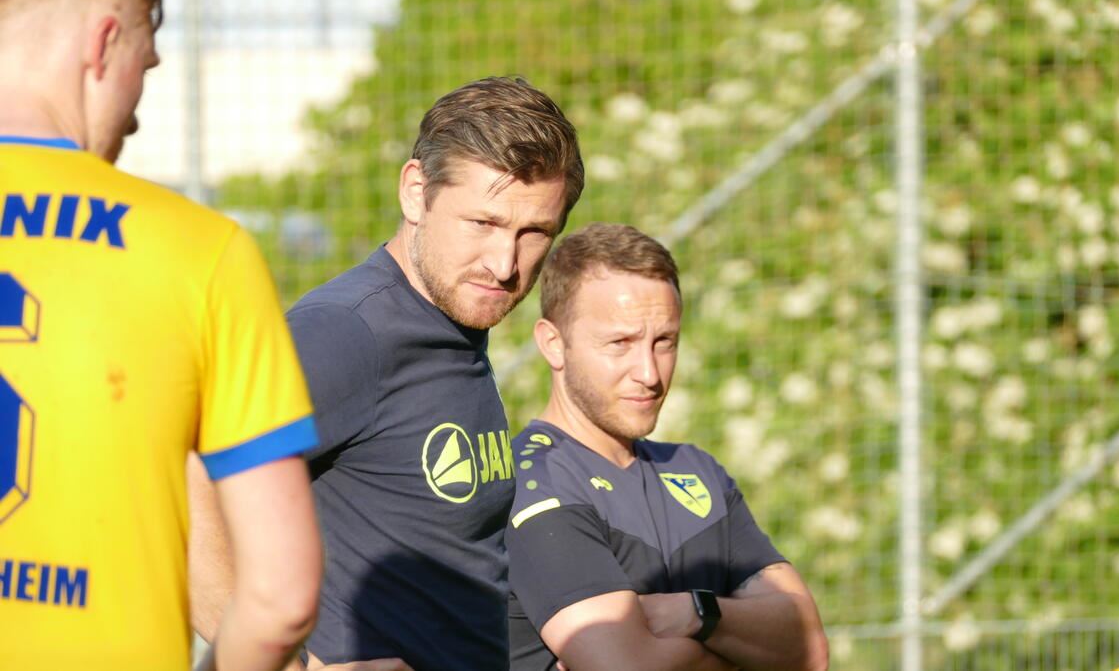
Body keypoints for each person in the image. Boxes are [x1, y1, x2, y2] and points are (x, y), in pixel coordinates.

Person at [189, 76, 585, 671]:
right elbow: (187, 475)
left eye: (533, 234)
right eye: (483, 223)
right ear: (414, 192)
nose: (505, 264)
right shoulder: (348, 331)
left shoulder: (452, 326)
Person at [0, 0, 323, 669]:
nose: (137, 110)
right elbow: (282, 595)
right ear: (104, 41)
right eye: (143, 66)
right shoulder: (202, 252)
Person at [506, 224, 830, 671]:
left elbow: (808, 649)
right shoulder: (530, 480)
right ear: (553, 344)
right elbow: (627, 666)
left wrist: (696, 612)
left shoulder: (698, 472)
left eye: (665, 342)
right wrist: (738, 652)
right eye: (620, 343)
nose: (649, 373)